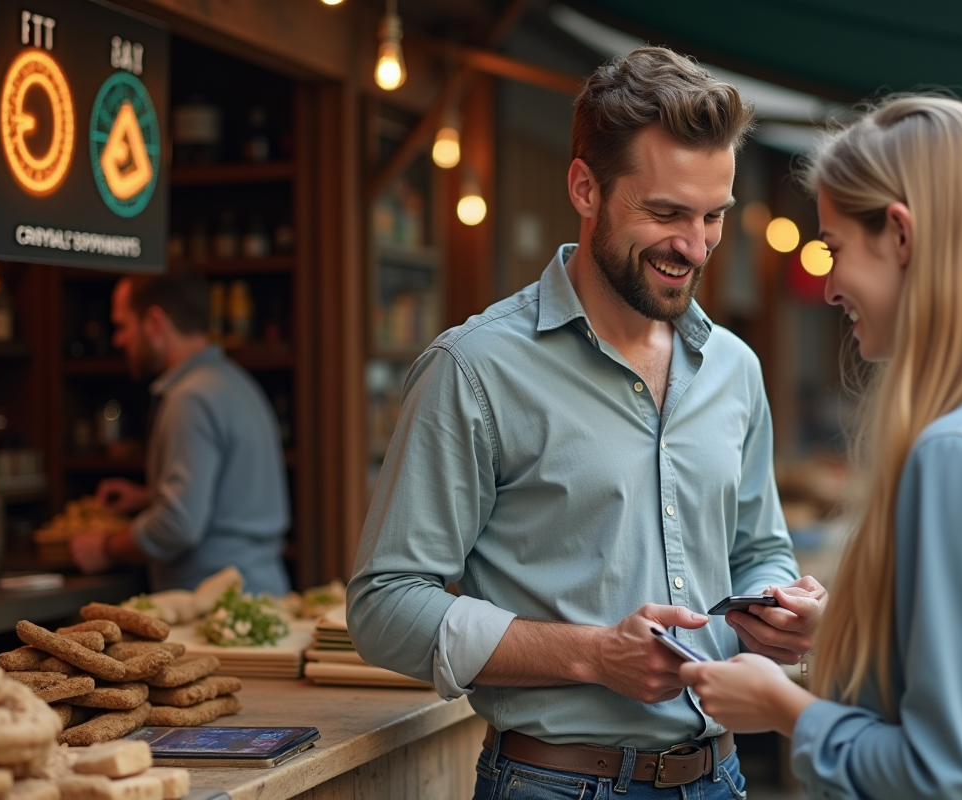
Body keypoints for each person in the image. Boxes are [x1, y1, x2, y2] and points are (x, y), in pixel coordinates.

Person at [348, 47, 824, 799]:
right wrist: (592, 655)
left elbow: (758, 549)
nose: (694, 246)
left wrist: (778, 609)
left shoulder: (736, 367)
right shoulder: (473, 369)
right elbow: (385, 607)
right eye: (665, 213)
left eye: (713, 217)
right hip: (554, 783)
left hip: (720, 777)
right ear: (585, 188)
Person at [680, 96, 962, 800]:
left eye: (835, 249)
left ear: (900, 235)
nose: (830, 287)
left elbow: (943, 774)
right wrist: (855, 632)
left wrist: (782, 706)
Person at [69, 273, 291, 596]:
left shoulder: (190, 398)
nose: (117, 340)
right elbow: (230, 498)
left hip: (215, 606)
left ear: (155, 323)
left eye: (122, 326)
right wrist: (149, 497)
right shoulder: (236, 382)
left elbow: (178, 526)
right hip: (258, 592)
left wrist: (104, 548)